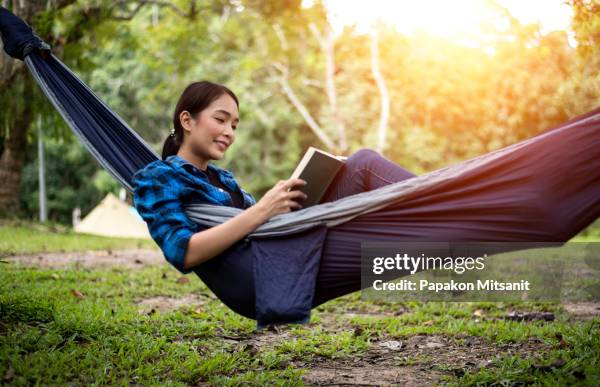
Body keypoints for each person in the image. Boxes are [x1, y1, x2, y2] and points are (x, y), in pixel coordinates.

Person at [132, 80, 417, 319]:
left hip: (277, 254)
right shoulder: (159, 176)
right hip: (258, 277)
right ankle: (443, 200)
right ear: (187, 120)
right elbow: (183, 252)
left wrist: (287, 203)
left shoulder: (224, 179)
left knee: (358, 166)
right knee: (365, 164)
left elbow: (264, 226)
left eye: (234, 125)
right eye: (220, 120)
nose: (229, 133)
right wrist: (264, 210)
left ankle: (444, 207)